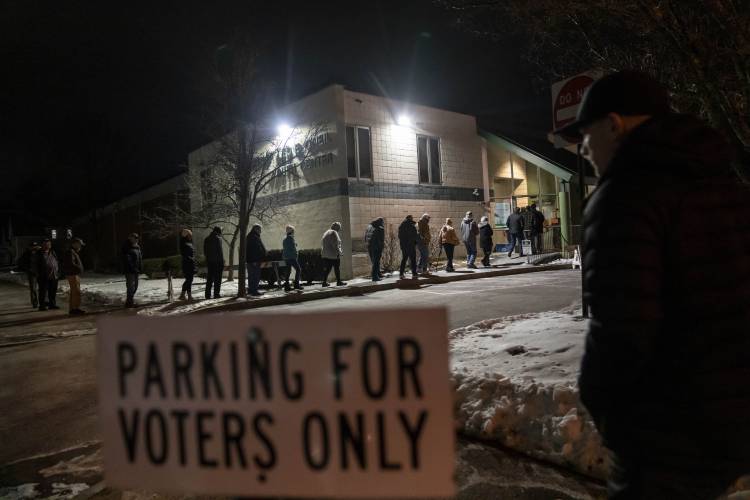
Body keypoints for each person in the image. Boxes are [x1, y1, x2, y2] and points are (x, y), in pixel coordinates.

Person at [554, 70, 750, 498]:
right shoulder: (721, 181)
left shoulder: (625, 195)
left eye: (586, 133)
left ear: (614, 124)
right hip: (732, 413)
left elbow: (623, 328)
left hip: (668, 425)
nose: (583, 147)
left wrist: (604, 404)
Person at [63, 237, 85, 315]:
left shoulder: (72, 252)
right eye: (79, 245)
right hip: (73, 274)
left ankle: (73, 308)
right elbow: (71, 264)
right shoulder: (71, 252)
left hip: (73, 273)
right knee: (76, 292)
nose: (80, 247)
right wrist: (79, 268)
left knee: (74, 292)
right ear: (74, 244)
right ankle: (75, 309)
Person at [36, 239, 59, 311]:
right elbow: (35, 265)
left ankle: (52, 304)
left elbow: (56, 261)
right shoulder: (39, 253)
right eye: (46, 244)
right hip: (43, 276)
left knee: (52, 291)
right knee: (43, 291)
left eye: (49, 244)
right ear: (43, 245)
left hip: (54, 275)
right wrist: (38, 274)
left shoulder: (52, 252)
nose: (48, 245)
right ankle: (42, 306)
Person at [321, 222, 346, 287]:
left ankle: (324, 282)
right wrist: (339, 252)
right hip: (333, 254)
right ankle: (338, 281)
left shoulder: (326, 232)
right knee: (337, 268)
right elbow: (335, 244)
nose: (339, 230)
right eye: (339, 228)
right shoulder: (334, 232)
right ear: (336, 227)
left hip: (325, 254)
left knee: (328, 269)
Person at [203, 226, 224, 299]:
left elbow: (205, 251)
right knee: (217, 279)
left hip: (210, 262)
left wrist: (208, 259)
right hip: (218, 262)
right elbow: (220, 252)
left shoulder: (206, 239)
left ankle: (207, 295)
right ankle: (216, 294)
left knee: (210, 278)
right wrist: (222, 262)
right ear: (219, 232)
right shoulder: (218, 239)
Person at [121, 233, 142, 307]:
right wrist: (132, 268)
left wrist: (140, 267)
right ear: (130, 238)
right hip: (129, 270)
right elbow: (127, 259)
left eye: (137, 238)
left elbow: (139, 258)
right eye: (134, 238)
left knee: (135, 286)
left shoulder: (137, 247)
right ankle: (129, 303)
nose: (136, 239)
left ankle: (130, 300)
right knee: (130, 286)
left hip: (136, 270)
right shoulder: (126, 247)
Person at [245, 224, 267, 296]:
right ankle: (254, 290)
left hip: (251, 260)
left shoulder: (250, 236)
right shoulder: (254, 237)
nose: (260, 231)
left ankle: (251, 290)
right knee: (255, 275)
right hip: (254, 260)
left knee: (251, 276)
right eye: (259, 230)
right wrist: (255, 259)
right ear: (256, 229)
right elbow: (255, 250)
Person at [17, 241, 40, 308]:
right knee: (33, 288)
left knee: (42, 288)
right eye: (33, 246)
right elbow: (21, 262)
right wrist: (27, 268)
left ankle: (43, 302)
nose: (34, 247)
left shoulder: (39, 252)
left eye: (35, 246)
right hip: (32, 273)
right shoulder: (26, 254)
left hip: (40, 273)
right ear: (30, 247)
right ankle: (34, 302)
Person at [282, 225, 303, 291]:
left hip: (286, 257)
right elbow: (293, 249)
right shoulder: (291, 239)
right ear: (291, 231)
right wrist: (296, 254)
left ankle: (287, 285)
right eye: (293, 231)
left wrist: (294, 244)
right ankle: (296, 284)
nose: (294, 232)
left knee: (288, 271)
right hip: (291, 257)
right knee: (298, 269)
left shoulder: (285, 239)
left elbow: (287, 248)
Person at [397, 215, 418, 279]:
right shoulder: (412, 226)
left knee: (404, 259)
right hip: (411, 246)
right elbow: (415, 236)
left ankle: (401, 274)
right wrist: (415, 243)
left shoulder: (401, 226)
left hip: (404, 246)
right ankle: (414, 274)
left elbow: (399, 237)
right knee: (413, 260)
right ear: (410, 219)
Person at [179, 229, 197, 301]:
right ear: (186, 235)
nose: (191, 236)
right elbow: (184, 254)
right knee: (189, 279)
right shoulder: (183, 242)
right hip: (187, 263)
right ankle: (188, 295)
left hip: (191, 263)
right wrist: (190, 259)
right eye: (189, 235)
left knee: (189, 279)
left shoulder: (190, 243)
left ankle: (182, 295)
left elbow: (192, 252)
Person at [365, 217, 385, 281]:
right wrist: (381, 246)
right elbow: (381, 240)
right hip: (377, 247)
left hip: (370, 246)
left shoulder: (369, 227)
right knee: (376, 262)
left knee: (374, 261)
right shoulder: (379, 228)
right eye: (382, 222)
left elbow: (365, 237)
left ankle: (378, 273)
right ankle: (375, 277)